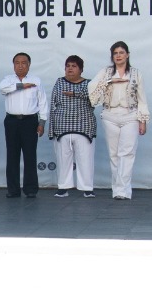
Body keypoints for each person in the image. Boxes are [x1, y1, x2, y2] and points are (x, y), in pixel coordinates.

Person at [88, 41, 150, 200]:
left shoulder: (136, 74)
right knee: (114, 153)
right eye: (115, 53)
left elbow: (141, 98)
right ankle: (117, 189)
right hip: (110, 115)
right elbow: (92, 90)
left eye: (121, 52)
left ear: (127, 54)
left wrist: (143, 120)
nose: (118, 56)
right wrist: (110, 81)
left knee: (127, 152)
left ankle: (124, 190)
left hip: (130, 115)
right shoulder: (106, 72)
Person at [0, 52, 47, 198]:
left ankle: (31, 189)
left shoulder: (36, 80)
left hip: (29, 121)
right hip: (12, 121)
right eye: (17, 63)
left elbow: (42, 102)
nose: (20, 66)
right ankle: (13, 190)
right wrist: (21, 86)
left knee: (30, 155)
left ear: (29, 65)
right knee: (12, 155)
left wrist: (42, 122)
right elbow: (2, 89)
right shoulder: (7, 80)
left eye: (23, 63)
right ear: (13, 65)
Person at [48, 56, 97, 198]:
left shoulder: (89, 84)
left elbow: (95, 100)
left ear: (81, 69)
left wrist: (76, 94)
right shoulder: (59, 82)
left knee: (86, 159)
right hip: (62, 127)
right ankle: (63, 187)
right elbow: (53, 105)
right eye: (67, 66)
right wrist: (51, 130)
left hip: (84, 126)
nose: (70, 68)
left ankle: (87, 188)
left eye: (74, 66)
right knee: (63, 159)